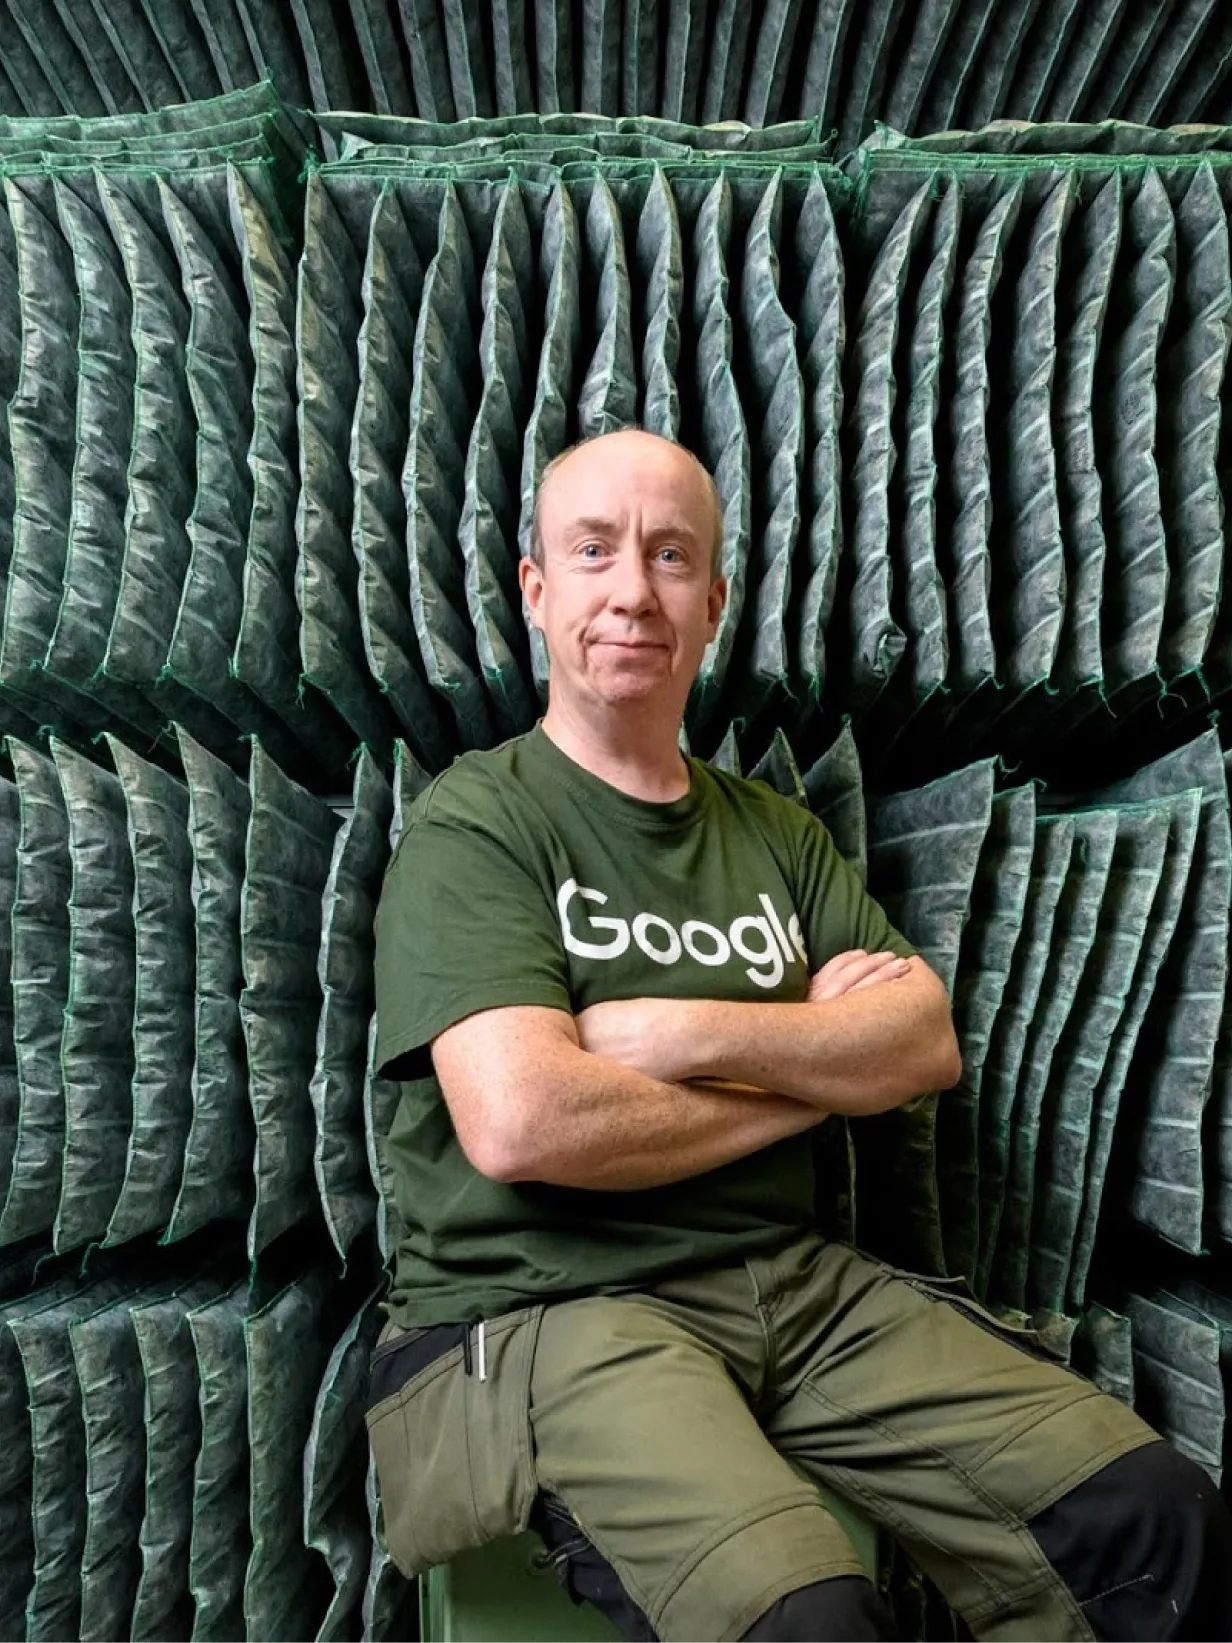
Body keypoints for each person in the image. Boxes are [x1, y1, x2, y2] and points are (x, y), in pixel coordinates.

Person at [370, 428, 1232, 1641]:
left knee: (1159, 1516)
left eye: (671, 555)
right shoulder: (477, 822)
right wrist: (815, 1071)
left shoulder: (775, 832)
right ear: (535, 588)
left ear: (713, 601)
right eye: (593, 549)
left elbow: (917, 1040)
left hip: (802, 1287)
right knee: (811, 1620)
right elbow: (524, 1120)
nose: (632, 589)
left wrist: (665, 1029)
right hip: (551, 1307)